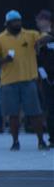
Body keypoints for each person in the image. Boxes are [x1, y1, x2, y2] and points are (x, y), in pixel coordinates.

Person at [0, 10, 53, 150]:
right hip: (9, 82)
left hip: (28, 80)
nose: (17, 23)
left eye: (19, 21)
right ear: (7, 23)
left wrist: (41, 41)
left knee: (35, 113)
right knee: (13, 115)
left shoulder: (30, 35)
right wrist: (5, 60)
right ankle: (15, 141)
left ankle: (41, 141)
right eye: (14, 21)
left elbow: (47, 38)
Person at [36, 9, 54, 145]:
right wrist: (44, 77)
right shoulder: (43, 40)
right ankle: (52, 138)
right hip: (48, 80)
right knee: (50, 108)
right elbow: (39, 61)